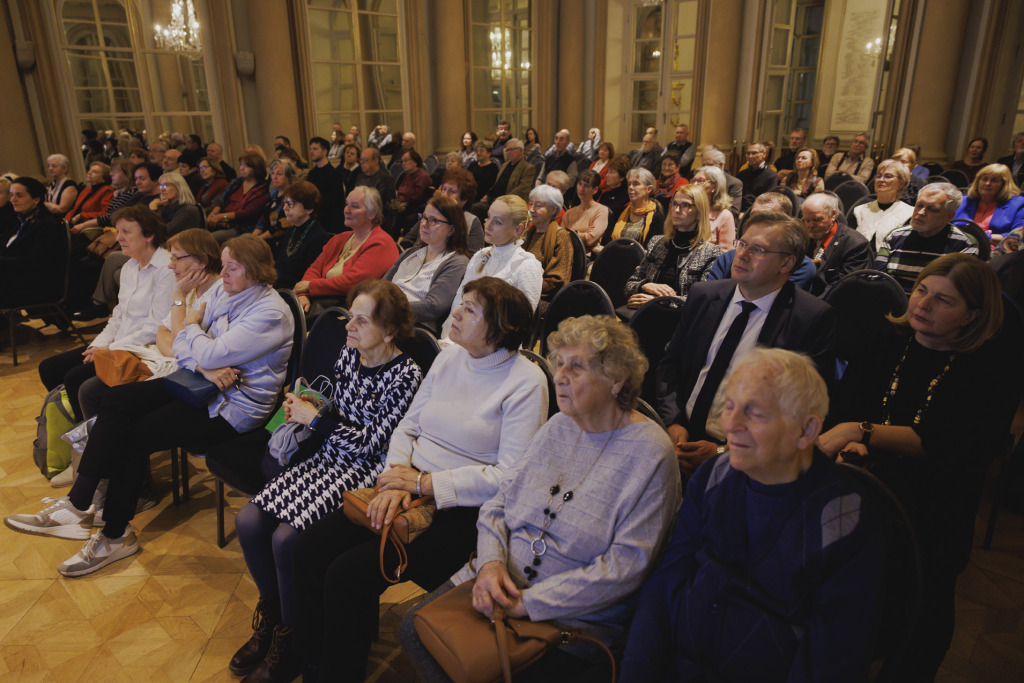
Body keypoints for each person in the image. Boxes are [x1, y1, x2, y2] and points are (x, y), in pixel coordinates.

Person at [292, 277, 547, 682]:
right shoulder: (449, 359)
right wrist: (396, 476)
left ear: (500, 328)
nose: (455, 314)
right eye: (460, 304)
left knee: (347, 575)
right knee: (306, 550)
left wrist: (423, 485)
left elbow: (507, 477)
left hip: (460, 510)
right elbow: (408, 427)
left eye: (469, 310)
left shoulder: (526, 382)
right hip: (404, 483)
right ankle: (308, 661)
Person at [401, 315, 682, 681]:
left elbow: (626, 567)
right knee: (414, 628)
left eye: (576, 367)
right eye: (558, 363)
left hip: (572, 619)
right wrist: (490, 565)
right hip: (498, 583)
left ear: (616, 379)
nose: (560, 376)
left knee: (480, 672)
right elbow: (497, 504)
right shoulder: (558, 425)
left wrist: (528, 603)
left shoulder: (651, 454)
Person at [6, 235, 294, 577]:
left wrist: (192, 328)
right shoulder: (224, 290)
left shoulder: (270, 312)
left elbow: (199, 346)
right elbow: (183, 350)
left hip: (233, 408)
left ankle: (112, 532)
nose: (223, 273)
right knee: (116, 399)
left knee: (132, 435)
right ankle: (79, 502)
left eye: (232, 267)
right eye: (224, 265)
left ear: (256, 271)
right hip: (201, 384)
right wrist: (200, 358)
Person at [621, 347, 885, 682]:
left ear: (807, 430)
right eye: (730, 406)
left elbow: (830, 660)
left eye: (755, 413)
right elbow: (665, 586)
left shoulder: (845, 522)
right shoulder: (713, 477)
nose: (731, 425)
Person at [819, 254, 1018, 680]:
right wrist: (852, 443)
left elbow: (951, 446)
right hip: (864, 484)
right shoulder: (884, 342)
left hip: (935, 500)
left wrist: (861, 431)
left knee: (920, 617)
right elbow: (843, 410)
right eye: (921, 290)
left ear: (973, 315)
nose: (923, 305)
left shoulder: (992, 365)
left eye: (944, 300)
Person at [231, 280, 423, 682]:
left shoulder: (406, 374)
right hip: (328, 454)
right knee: (247, 521)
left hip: (364, 472)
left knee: (285, 539)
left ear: (389, 331)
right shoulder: (350, 352)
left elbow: (371, 445)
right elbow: (338, 409)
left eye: (361, 320)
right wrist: (308, 403)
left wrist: (316, 420)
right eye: (351, 316)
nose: (348, 326)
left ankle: (292, 641)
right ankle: (274, 618)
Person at [656, 212, 835, 477]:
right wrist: (673, 421)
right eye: (742, 244)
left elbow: (802, 408)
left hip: (747, 458)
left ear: (787, 263)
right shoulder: (704, 295)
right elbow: (671, 364)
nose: (742, 255)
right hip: (680, 438)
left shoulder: (810, 318)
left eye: (758, 249)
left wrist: (725, 451)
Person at [38, 204, 176, 421]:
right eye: (118, 231)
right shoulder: (130, 266)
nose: (118, 237)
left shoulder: (166, 270)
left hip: (143, 349)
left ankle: (89, 434)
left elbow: (156, 328)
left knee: (75, 378)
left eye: (126, 232)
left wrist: (109, 349)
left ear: (149, 235)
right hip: (119, 343)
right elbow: (118, 317)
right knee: (49, 367)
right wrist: (97, 345)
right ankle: (78, 426)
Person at [440, 195, 544, 340]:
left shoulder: (527, 265)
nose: (488, 225)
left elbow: (521, 321)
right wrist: (450, 336)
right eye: (488, 217)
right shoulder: (481, 256)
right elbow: (460, 299)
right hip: (463, 335)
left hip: (494, 343)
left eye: (497, 222)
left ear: (518, 229)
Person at [294, 186, 399, 315]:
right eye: (347, 204)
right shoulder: (339, 239)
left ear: (372, 213)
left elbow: (353, 283)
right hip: (323, 304)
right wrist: (303, 295)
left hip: (351, 312)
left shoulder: (382, 243)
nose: (346, 210)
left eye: (354, 206)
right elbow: (314, 269)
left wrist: (310, 286)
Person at [623, 185, 722, 314]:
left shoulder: (711, 252)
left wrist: (660, 301)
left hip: (678, 319)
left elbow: (701, 301)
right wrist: (644, 285)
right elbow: (629, 286)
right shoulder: (657, 242)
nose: (677, 210)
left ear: (699, 211)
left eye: (685, 205)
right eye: (674, 204)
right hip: (644, 313)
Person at [385, 193, 470, 334]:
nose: (424, 224)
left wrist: (389, 310)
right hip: (385, 317)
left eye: (433, 220)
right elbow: (383, 285)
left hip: (415, 328)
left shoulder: (457, 262)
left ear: (452, 229)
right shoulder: (411, 252)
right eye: (424, 217)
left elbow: (433, 307)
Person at [874, 183, 978, 294]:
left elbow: (956, 291)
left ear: (949, 216)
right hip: (891, 300)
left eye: (932, 209)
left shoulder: (964, 244)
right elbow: (877, 279)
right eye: (919, 205)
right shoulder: (894, 236)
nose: (920, 212)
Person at [0, 177, 68, 310]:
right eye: (11, 195)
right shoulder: (22, 219)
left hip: (35, 284)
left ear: (36, 199)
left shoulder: (46, 224)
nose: (13, 200)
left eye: (19, 195)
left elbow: (36, 262)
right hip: (14, 277)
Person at [802, 193, 872, 295]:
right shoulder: (802, 236)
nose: (811, 226)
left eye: (817, 219)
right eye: (807, 220)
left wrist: (811, 303)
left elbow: (844, 287)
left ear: (833, 214)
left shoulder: (855, 244)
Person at [402, 169, 485, 255]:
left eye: (452, 191)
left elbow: (474, 257)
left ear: (464, 199)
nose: (445, 194)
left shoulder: (471, 221)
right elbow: (408, 240)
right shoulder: (430, 214)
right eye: (444, 189)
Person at [521, 184, 573, 307]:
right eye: (531, 204)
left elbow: (557, 281)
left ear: (553, 210)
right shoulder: (530, 232)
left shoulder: (561, 236)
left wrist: (522, 287)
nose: (531, 209)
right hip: (524, 290)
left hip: (544, 300)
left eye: (538, 206)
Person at [274, 181, 331, 290]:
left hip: (294, 292)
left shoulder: (318, 238)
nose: (285, 208)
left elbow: (310, 278)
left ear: (309, 208)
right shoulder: (292, 230)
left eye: (291, 204)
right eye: (284, 203)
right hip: (278, 287)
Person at [850, 159, 915, 251]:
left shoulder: (909, 214)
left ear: (901, 184)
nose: (881, 179)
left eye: (888, 176)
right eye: (878, 176)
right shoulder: (859, 210)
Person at [952, 163, 1024, 245]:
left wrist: (985, 237)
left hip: (994, 250)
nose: (987, 183)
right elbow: (948, 226)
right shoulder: (963, 201)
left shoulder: (1017, 204)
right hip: (957, 246)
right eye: (984, 179)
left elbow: (1017, 236)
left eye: (994, 180)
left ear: (1004, 185)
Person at [207, 153, 271, 243]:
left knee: (210, 238)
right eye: (241, 165)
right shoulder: (237, 183)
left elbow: (247, 213)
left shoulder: (262, 190)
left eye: (246, 166)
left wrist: (220, 217)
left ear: (256, 168)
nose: (241, 168)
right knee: (200, 230)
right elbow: (223, 201)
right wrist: (213, 213)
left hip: (241, 226)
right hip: (225, 219)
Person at [608, 168, 664, 249]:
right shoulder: (620, 211)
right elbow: (607, 240)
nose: (630, 187)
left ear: (649, 189)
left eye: (636, 184)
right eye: (629, 184)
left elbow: (651, 249)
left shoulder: (656, 217)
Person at [561, 170, 611, 258]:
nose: (581, 189)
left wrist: (570, 233)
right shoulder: (569, 213)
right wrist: (583, 234)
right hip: (566, 254)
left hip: (587, 257)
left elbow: (590, 240)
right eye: (580, 184)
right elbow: (561, 237)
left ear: (595, 190)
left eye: (586, 186)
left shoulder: (601, 210)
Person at [690, 166, 737, 249]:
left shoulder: (724, 216)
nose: (694, 184)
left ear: (715, 186)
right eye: (693, 181)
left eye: (700, 181)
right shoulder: (688, 209)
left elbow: (726, 251)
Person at [305, 137, 345, 232]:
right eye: (310, 149)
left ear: (324, 152)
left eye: (315, 149)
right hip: (314, 218)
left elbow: (334, 202)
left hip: (329, 222)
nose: (311, 152)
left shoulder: (334, 174)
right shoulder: (311, 174)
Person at [149, 171, 203, 237]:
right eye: (160, 186)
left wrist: (153, 209)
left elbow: (164, 232)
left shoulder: (189, 210)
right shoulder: (165, 208)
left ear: (179, 187)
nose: (162, 189)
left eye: (166, 185)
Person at [596, 155, 633, 242]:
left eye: (611, 172)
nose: (607, 175)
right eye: (607, 172)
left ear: (622, 177)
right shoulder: (605, 195)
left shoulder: (628, 197)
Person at [66, 162, 114, 227]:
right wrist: (66, 222)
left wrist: (81, 215)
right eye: (89, 170)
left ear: (104, 178)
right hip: (75, 223)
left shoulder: (107, 190)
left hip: (90, 226)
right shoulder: (87, 189)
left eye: (94, 172)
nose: (89, 173)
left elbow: (105, 213)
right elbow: (75, 209)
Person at [737, 142, 777, 213]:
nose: (750, 156)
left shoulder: (771, 175)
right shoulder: (741, 174)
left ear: (764, 154)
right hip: (740, 211)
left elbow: (768, 201)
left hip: (759, 212)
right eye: (748, 153)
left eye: (754, 153)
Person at [701, 148, 743, 214]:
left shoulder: (734, 183)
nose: (705, 168)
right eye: (703, 165)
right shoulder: (699, 180)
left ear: (720, 165)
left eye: (709, 165)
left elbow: (734, 211)